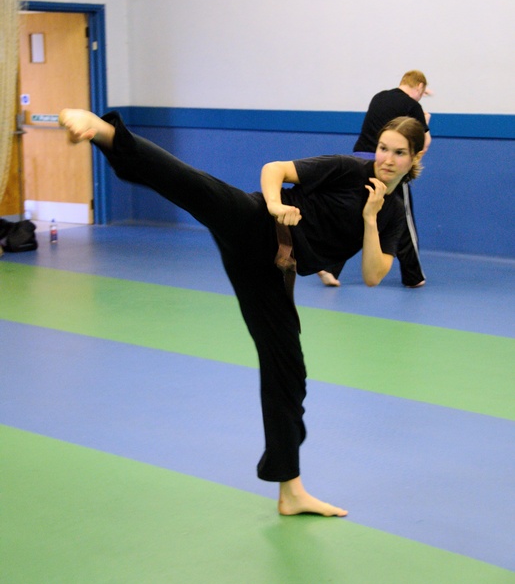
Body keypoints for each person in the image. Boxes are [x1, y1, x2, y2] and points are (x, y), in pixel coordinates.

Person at [59, 108, 425, 518]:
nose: (386, 159)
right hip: (254, 223)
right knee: (194, 186)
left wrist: (370, 218)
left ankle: (290, 491)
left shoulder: (391, 213)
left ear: (415, 157)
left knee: (288, 372)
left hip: (273, 271)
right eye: (383, 148)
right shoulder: (347, 169)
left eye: (399, 153)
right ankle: (104, 131)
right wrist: (275, 204)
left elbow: (374, 275)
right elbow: (275, 169)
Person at [318, 70, 432, 288]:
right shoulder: (413, 106)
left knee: (356, 216)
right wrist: (426, 121)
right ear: (419, 87)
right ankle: (413, 275)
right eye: (422, 92)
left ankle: (329, 265)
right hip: (387, 167)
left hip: (361, 161)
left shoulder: (379, 97)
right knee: (402, 217)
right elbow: (423, 144)